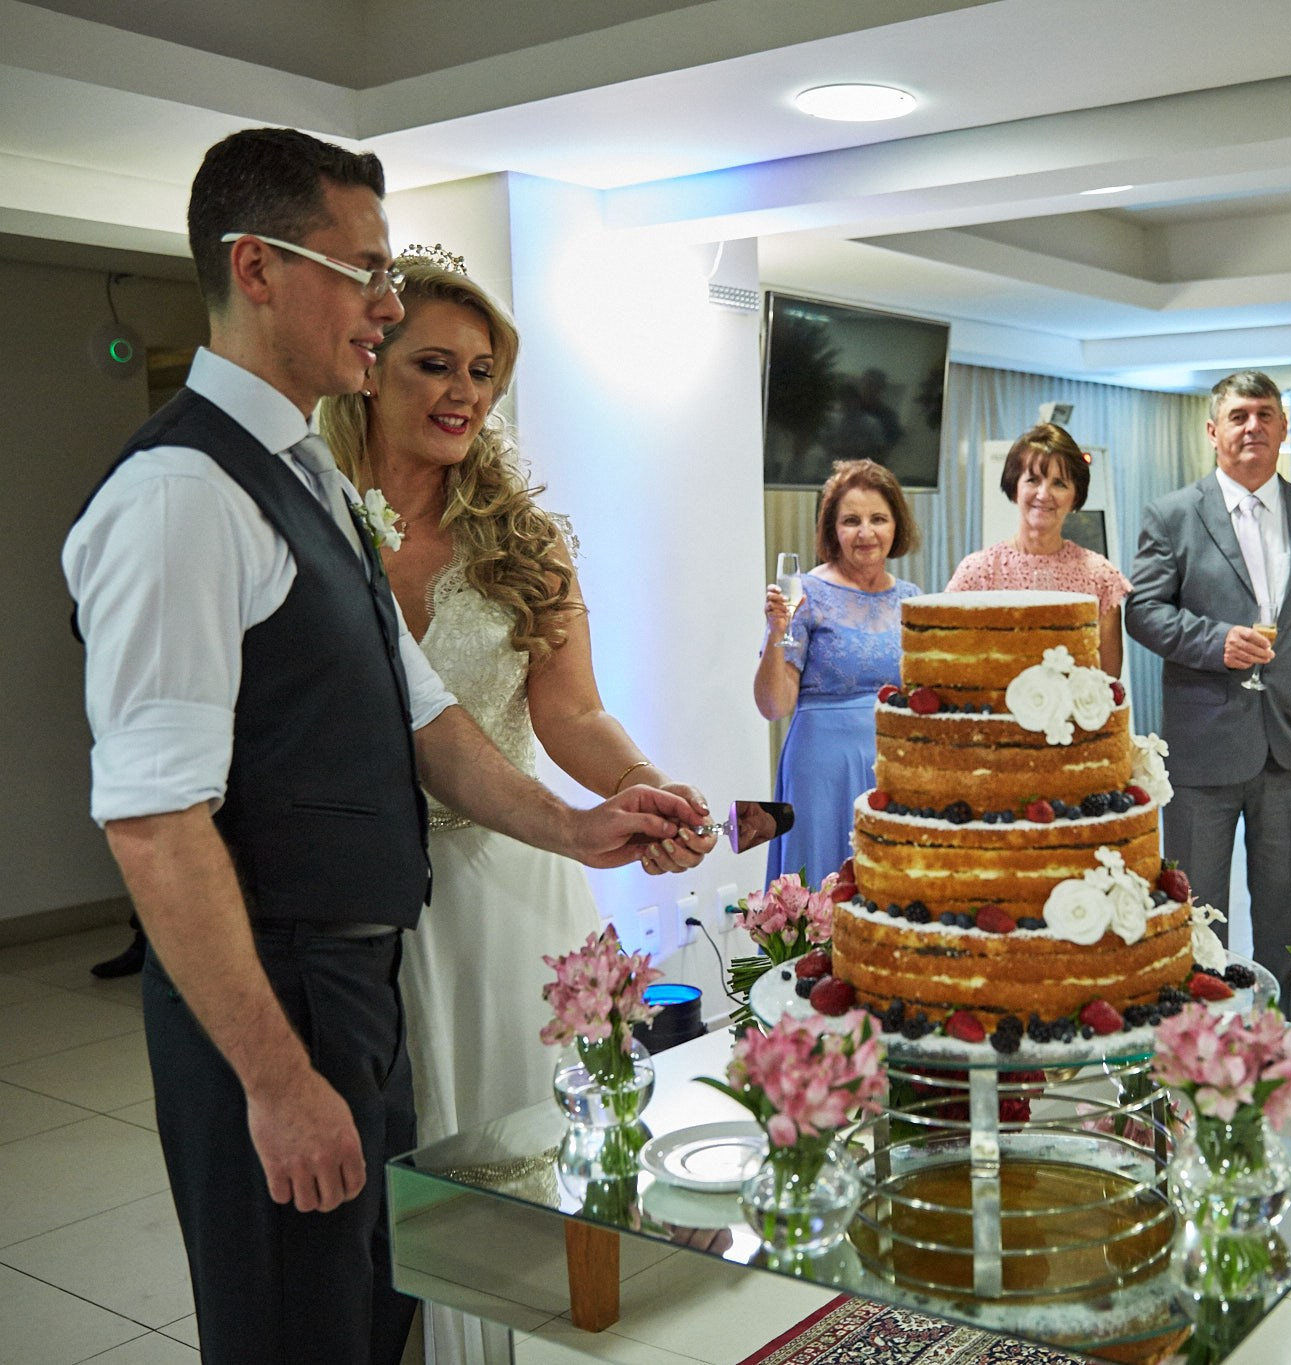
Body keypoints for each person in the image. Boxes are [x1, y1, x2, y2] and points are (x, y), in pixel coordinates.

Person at [60, 128, 709, 1365]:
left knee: (374, 1296)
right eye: (361, 273)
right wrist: (276, 1080)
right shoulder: (181, 496)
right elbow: (152, 819)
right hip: (279, 985)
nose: (382, 301)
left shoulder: (306, 480)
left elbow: (427, 719)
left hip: (355, 979)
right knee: (294, 1321)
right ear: (257, 267)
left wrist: (582, 824)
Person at [317, 255, 706, 1146]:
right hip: (353, 884)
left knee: (521, 1141)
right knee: (386, 1148)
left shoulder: (525, 541)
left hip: (506, 878)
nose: (465, 393)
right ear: (370, 367)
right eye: (435, 365)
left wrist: (641, 784)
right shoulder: (313, 517)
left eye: (483, 371)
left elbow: (572, 713)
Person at [1126, 370, 1291, 1020]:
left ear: (1284, 427)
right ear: (1213, 431)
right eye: (1238, 416)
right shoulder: (1172, 514)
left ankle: (1281, 1045)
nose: (1252, 426)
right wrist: (1215, 642)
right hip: (1203, 750)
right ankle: (1198, 1049)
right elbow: (1142, 611)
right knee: (1198, 918)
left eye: (1264, 414)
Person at [757, 459, 923, 884]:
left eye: (878, 519)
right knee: (819, 888)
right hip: (822, 769)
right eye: (851, 521)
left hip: (892, 766)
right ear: (832, 530)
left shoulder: (912, 599)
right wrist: (776, 632)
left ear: (896, 525)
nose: (866, 533)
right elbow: (773, 706)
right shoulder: (804, 592)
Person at [947, 422, 1130, 677]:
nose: (1044, 494)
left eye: (1059, 483)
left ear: (1075, 497)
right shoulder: (977, 572)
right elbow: (947, 659)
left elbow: (1108, 681)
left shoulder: (1101, 577)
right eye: (1033, 480)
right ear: (1014, 487)